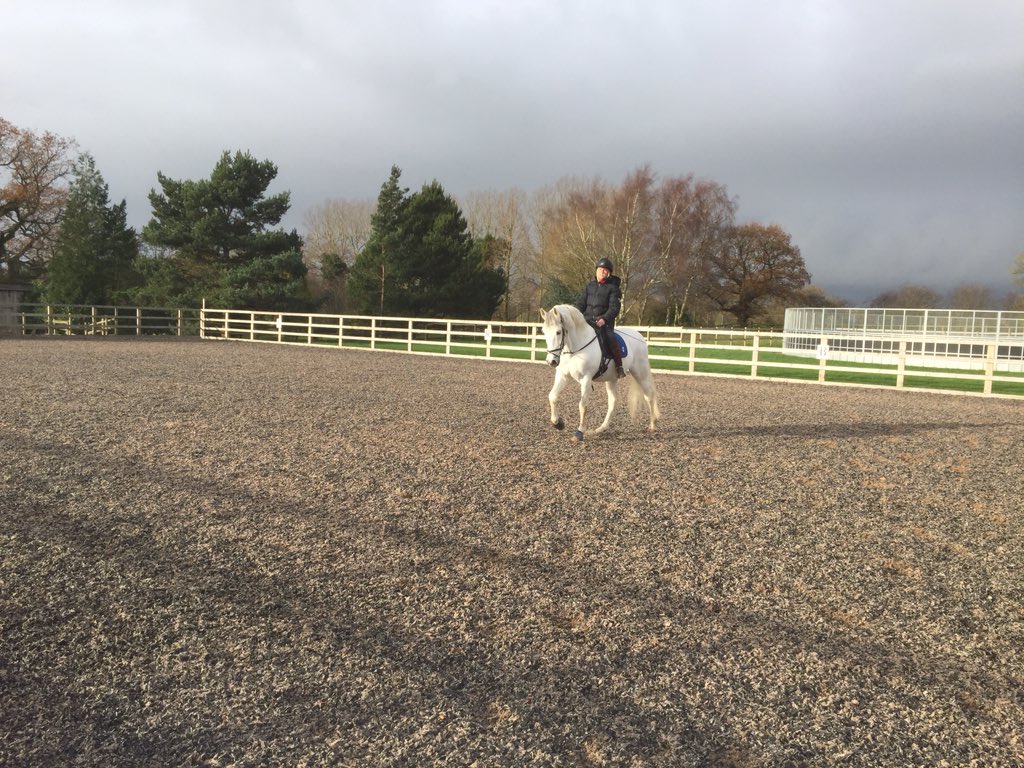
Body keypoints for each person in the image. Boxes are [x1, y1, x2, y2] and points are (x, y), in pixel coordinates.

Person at [575, 257, 625, 378]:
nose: (603, 272)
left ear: (609, 273)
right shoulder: (589, 286)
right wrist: (574, 314)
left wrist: (604, 319)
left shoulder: (614, 289)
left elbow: (614, 308)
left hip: (603, 323)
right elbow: (581, 304)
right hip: (587, 321)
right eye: (601, 269)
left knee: (610, 337)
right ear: (596, 270)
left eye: (606, 270)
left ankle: (619, 366)